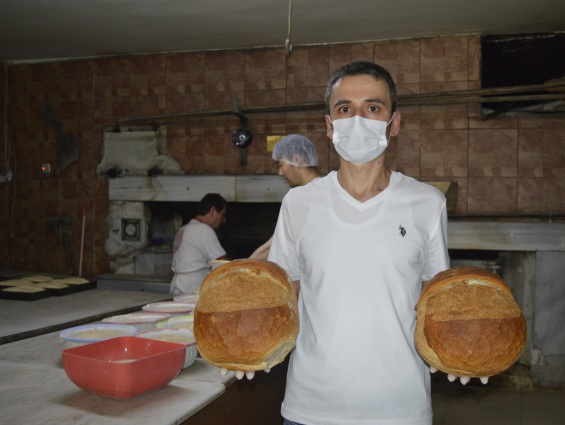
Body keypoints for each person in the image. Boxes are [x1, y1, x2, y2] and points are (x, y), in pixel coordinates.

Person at [267, 61, 452, 425]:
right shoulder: (298, 204)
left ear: (394, 123)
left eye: (372, 107)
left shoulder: (427, 203)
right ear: (329, 125)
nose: (357, 120)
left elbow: (439, 300)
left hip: (400, 409)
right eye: (344, 109)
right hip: (311, 408)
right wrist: (245, 345)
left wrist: (462, 350)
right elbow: (280, 297)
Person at [248, 134, 320, 260]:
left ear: (297, 160)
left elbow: (272, 247)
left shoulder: (298, 197)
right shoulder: (326, 189)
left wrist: (241, 266)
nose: (280, 173)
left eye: (281, 165)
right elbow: (273, 243)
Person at [170, 193, 228, 295]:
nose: (224, 220)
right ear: (213, 211)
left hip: (178, 285)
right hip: (193, 287)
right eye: (222, 215)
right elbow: (221, 263)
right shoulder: (204, 230)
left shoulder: (184, 229)